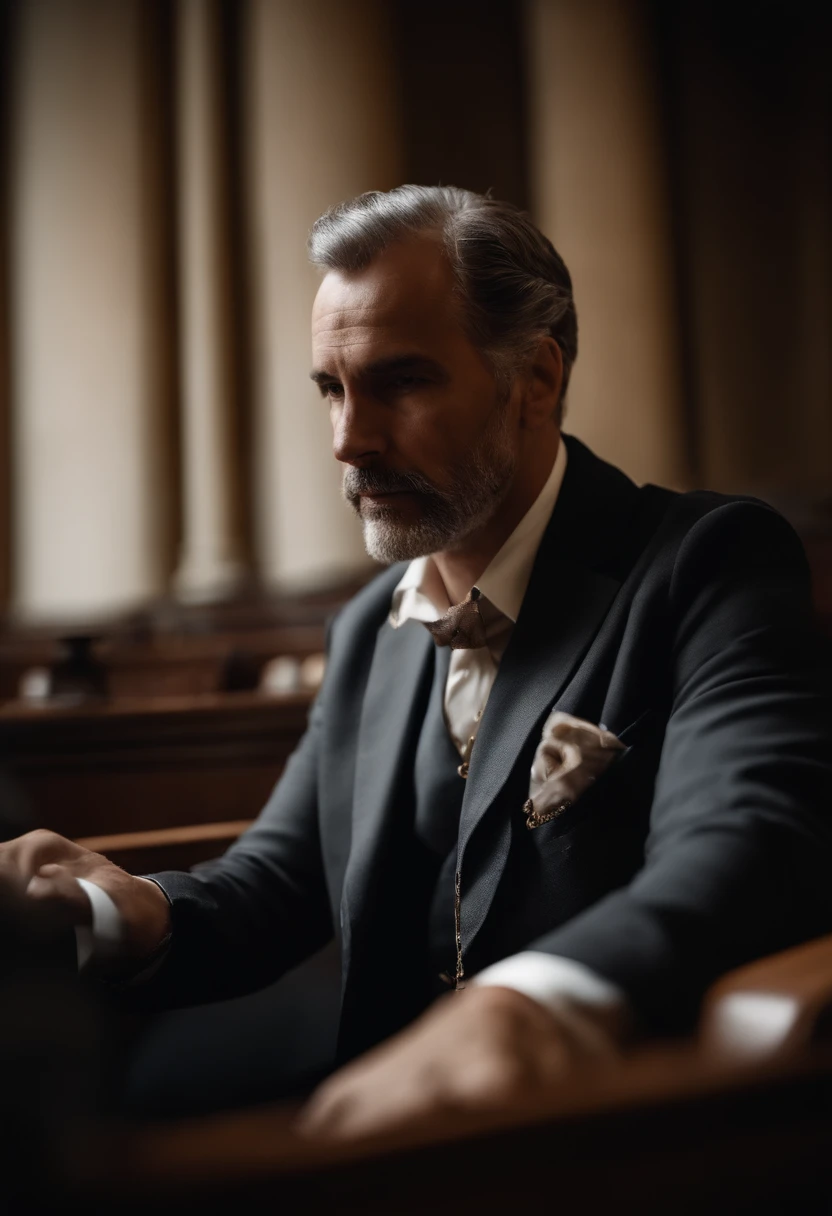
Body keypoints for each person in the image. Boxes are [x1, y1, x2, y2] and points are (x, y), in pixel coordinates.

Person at [2, 186, 831, 1141]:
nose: (350, 439)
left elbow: (749, 838)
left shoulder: (708, 562)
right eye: (330, 388)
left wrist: (531, 1002)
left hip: (618, 1130)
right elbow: (281, 876)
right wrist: (119, 910)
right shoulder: (368, 628)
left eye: (401, 381)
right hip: (384, 1130)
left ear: (537, 378)